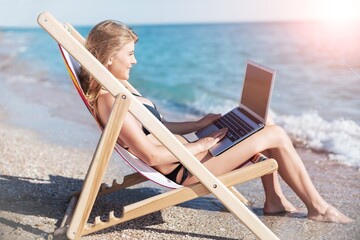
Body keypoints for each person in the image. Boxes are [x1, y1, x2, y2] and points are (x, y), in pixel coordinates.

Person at [79, 20, 353, 224]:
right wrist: (203, 144)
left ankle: (275, 200)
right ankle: (318, 208)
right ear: (109, 56)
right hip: (188, 169)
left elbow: (156, 127)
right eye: (129, 54)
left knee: (260, 121)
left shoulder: (115, 88)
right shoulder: (111, 100)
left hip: (190, 155)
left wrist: (198, 124)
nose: (134, 61)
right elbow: (150, 154)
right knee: (275, 134)